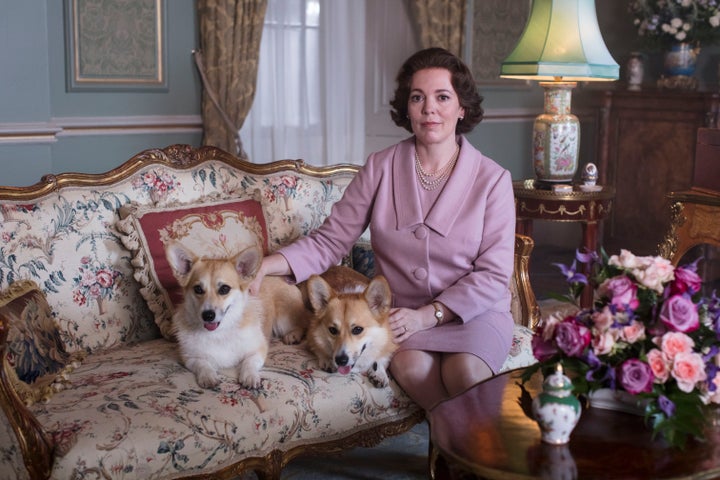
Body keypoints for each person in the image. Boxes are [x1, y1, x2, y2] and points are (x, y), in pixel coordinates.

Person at [249, 47, 516, 410]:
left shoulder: (493, 179)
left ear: (462, 107)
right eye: (417, 97)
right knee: (411, 366)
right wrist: (267, 265)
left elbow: (493, 275)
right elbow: (330, 241)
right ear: (406, 108)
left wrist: (430, 315)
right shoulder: (380, 167)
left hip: (475, 314)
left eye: (442, 97)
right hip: (403, 317)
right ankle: (455, 453)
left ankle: (471, 458)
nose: (429, 109)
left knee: (465, 373)